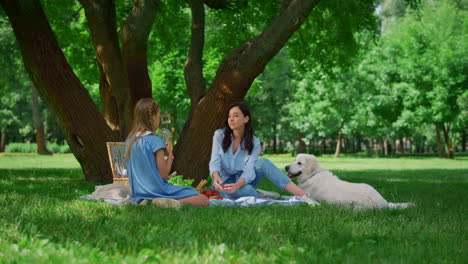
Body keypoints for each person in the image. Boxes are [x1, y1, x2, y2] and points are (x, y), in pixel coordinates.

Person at [209, 102, 319, 204]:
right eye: (229, 116)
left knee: (263, 162)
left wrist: (238, 185)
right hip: (223, 184)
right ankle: (271, 200)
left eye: (236, 115)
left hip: (242, 181)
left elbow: (249, 170)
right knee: (246, 190)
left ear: (246, 119)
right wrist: (216, 176)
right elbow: (215, 161)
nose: (231, 119)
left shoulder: (254, 142)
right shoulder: (219, 135)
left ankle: (303, 195)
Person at [125, 98, 208, 207]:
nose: (159, 119)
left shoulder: (129, 141)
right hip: (157, 191)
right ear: (153, 117)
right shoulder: (154, 141)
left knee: (193, 193)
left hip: (138, 195)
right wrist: (169, 156)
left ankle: (152, 202)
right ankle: (165, 203)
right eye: (159, 116)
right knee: (202, 198)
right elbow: (164, 175)